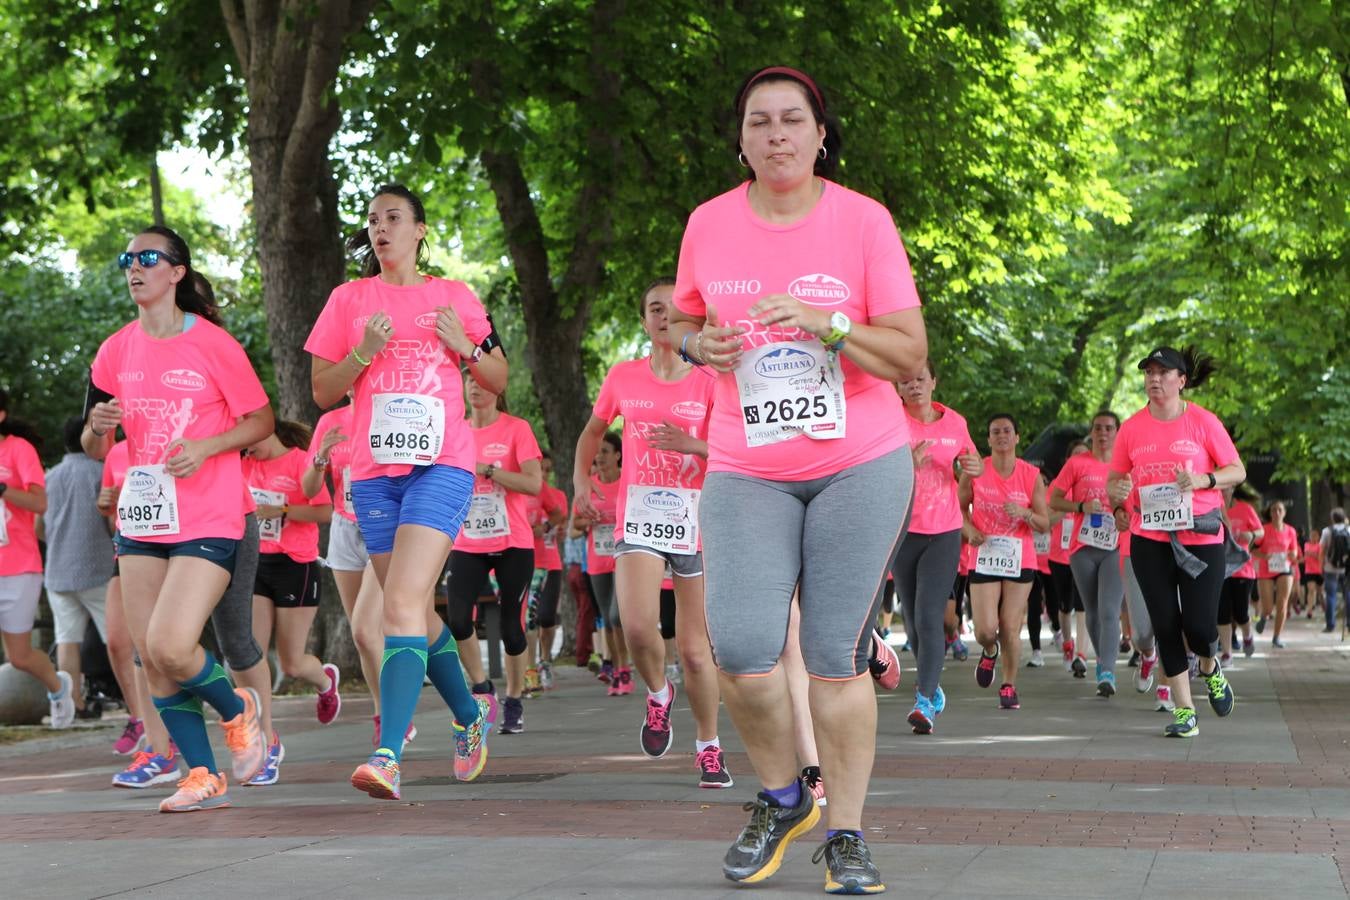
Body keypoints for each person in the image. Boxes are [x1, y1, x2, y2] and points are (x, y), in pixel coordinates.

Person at [669, 65, 926, 893]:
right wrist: (693, 345)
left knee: (830, 653)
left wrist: (831, 323)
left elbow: (909, 354)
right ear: (740, 140)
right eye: (758, 123)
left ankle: (846, 833)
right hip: (748, 465)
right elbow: (683, 317)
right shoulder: (708, 224)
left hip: (859, 460)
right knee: (739, 648)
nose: (775, 135)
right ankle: (785, 796)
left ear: (821, 134)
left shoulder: (862, 221)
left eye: (791, 121)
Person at [305, 184, 501, 799]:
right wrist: (363, 353)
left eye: (394, 218)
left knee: (398, 608)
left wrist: (464, 346)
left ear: (420, 230)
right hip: (372, 474)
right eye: (373, 220)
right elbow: (320, 390)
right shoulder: (348, 300)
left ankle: (388, 753)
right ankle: (471, 717)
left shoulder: (453, 296)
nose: (381, 228)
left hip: (441, 465)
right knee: (409, 607)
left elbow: (498, 375)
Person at [83, 226, 272, 812]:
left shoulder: (213, 343)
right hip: (143, 518)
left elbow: (262, 421)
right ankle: (202, 774)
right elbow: (95, 444)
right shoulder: (115, 350)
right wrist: (98, 427)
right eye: (128, 260)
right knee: (150, 655)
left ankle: (239, 710)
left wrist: (210, 446)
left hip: (211, 515)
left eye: (148, 258)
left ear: (177, 272)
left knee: (170, 643)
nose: (134, 268)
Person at [573, 278, 727, 784]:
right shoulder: (623, 377)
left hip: (696, 520)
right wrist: (579, 484)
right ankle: (659, 692)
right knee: (636, 627)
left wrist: (693, 444)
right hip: (639, 517)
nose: (664, 316)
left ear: (691, 323)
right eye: (655, 309)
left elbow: (735, 450)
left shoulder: (710, 383)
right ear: (644, 322)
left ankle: (708, 744)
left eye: (673, 309)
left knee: (695, 650)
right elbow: (592, 433)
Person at [1107, 346, 1245, 738]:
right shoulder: (1132, 428)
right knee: (1165, 623)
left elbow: (1237, 469)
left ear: (1181, 381)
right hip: (1149, 536)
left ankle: (1209, 665)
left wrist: (1204, 480)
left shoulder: (1202, 422)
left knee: (1201, 627)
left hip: (1200, 532)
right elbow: (1115, 482)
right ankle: (1185, 711)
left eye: (1163, 373)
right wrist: (1118, 503)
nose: (1154, 379)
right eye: (1149, 373)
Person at [303, 398, 412, 749]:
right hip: (345, 528)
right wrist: (321, 456)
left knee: (367, 631)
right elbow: (308, 490)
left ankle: (397, 715)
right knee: (363, 636)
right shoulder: (331, 421)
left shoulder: (396, 410)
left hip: (386, 525)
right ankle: (384, 717)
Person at [445, 374, 542, 735]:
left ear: (498, 389)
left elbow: (533, 483)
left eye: (483, 380)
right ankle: (483, 688)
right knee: (457, 621)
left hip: (512, 541)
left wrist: (487, 470)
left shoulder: (516, 429)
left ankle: (514, 700)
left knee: (512, 629)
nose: (475, 386)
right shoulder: (454, 430)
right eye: (469, 379)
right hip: (466, 541)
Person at [892, 361, 981, 733]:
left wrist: (972, 467)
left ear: (933, 382)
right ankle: (933, 686)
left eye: (920, 380)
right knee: (912, 622)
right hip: (901, 530)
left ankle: (925, 701)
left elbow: (970, 465)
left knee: (930, 616)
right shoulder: (889, 420)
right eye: (906, 382)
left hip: (944, 530)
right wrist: (904, 465)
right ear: (897, 388)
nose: (914, 387)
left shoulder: (954, 423)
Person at [242, 419, 339, 747]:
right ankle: (263, 735)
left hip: (296, 565)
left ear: (264, 429)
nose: (246, 446)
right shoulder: (244, 464)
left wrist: (282, 510)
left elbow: (325, 512)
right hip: (254, 563)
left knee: (292, 663)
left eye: (250, 439)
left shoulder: (300, 460)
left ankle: (325, 683)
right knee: (251, 653)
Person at [959, 414, 1050, 711]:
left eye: (1007, 431)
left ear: (1017, 437)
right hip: (984, 555)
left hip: (1018, 558)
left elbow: (1044, 523)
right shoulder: (975, 471)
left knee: (1010, 626)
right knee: (986, 629)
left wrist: (1024, 514)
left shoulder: (1030, 475)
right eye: (995, 431)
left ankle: (1009, 685)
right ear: (987, 439)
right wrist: (970, 529)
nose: (1001, 436)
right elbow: (958, 508)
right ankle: (989, 649)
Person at [1049, 411, 1138, 698]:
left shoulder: (1127, 466)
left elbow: (1136, 504)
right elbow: (1054, 498)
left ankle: (1108, 671)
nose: (1103, 433)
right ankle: (1102, 661)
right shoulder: (1077, 463)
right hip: (1082, 548)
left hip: (1115, 545)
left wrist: (1125, 513)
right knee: (1093, 611)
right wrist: (1080, 507)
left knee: (1110, 610)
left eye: (1109, 428)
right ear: (1091, 432)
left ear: (1117, 432)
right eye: (1098, 428)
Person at [0, 390, 72, 728]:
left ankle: (59, 689)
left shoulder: (18, 449)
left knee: (20, 657)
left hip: (17, 567)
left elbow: (40, 504)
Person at [39, 415, 117, 718]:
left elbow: (38, 527)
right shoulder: (102, 473)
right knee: (116, 639)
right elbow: (112, 524)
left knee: (66, 640)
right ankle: (137, 699)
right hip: (97, 568)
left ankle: (71, 706)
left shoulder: (50, 477)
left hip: (58, 570)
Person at [571, 433, 628, 694]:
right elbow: (573, 528)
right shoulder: (588, 486)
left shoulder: (628, 482)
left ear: (618, 455)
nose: (599, 457)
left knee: (617, 616)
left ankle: (625, 667)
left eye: (605, 451)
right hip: (597, 559)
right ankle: (617, 670)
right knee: (606, 618)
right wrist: (588, 521)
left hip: (624, 557)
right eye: (597, 452)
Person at [524, 449, 567, 689]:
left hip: (550, 561)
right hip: (524, 560)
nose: (545, 474)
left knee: (547, 616)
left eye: (548, 470)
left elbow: (560, 519)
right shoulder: (522, 491)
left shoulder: (556, 495)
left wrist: (551, 527)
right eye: (542, 469)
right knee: (528, 618)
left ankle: (546, 659)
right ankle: (528, 667)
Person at [1220, 486, 1263, 658]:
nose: (1223, 491)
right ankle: (1226, 653)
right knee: (1221, 613)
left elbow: (1261, 531)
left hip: (1242, 569)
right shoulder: (1212, 508)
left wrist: (1251, 535)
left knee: (1240, 612)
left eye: (1226, 488)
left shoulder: (1245, 509)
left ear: (1232, 489)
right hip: (1220, 569)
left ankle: (1247, 636)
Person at [1254, 500, 1299, 648]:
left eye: (1280, 510)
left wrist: (1292, 554)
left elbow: (1294, 551)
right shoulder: (1263, 529)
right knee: (1268, 607)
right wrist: (1263, 555)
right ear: (1270, 513)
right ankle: (1264, 616)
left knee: (1282, 603)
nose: (1277, 513)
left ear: (1284, 513)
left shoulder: (1291, 531)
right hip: (1266, 569)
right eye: (1274, 510)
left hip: (1285, 569)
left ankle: (1276, 637)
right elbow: (1252, 549)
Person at [1320, 509, 1348, 633]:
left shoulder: (1326, 531)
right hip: (1347, 569)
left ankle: (1330, 625)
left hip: (1330, 568)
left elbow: (1322, 551)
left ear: (1332, 518)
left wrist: (1321, 565)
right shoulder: (1349, 530)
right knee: (1348, 595)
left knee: (1330, 596)